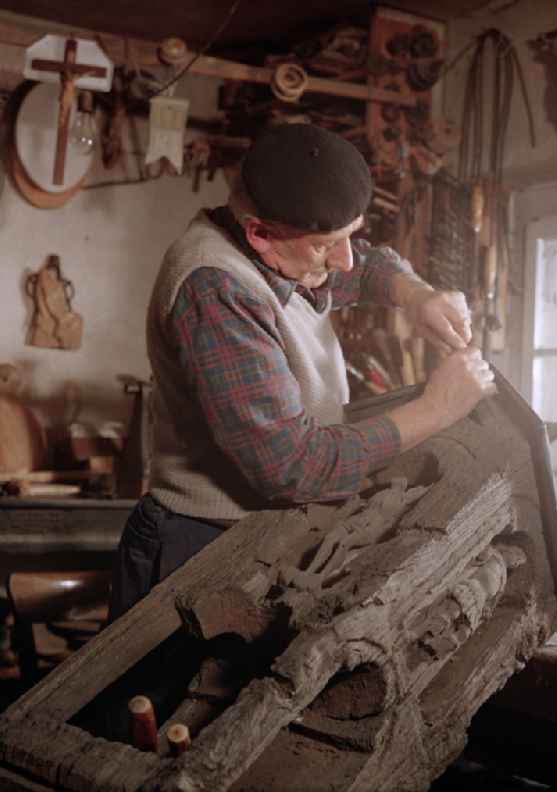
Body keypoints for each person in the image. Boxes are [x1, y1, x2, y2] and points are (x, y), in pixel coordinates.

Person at [109, 123, 496, 621]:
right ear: (259, 233)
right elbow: (293, 467)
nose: (344, 259)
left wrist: (415, 294)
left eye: (350, 236)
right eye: (326, 245)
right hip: (197, 545)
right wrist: (436, 410)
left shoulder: (289, 252)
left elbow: (365, 265)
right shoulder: (217, 289)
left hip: (262, 538)